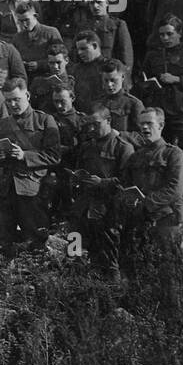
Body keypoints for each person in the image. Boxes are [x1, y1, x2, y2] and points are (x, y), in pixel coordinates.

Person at [0, 78, 61, 253]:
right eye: (8, 100)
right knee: (0, 240)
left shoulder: (44, 120)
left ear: (27, 95)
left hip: (31, 189)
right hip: (2, 190)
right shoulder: (1, 124)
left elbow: (54, 156)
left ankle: (36, 277)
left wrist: (24, 155)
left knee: (36, 240)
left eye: (16, 99)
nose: (12, 104)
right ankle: (3, 277)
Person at [69, 105, 135, 267]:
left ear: (109, 121)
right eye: (88, 124)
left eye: (96, 124)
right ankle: (74, 279)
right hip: (83, 208)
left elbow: (129, 183)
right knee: (74, 249)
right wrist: (76, 179)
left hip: (109, 210)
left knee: (107, 257)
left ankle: (110, 288)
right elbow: (79, 170)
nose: (91, 128)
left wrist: (103, 183)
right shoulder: (86, 147)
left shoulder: (123, 147)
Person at [139, 18, 183, 168]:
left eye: (169, 34)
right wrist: (147, 85)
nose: (165, 38)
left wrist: (177, 79)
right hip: (157, 110)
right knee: (156, 147)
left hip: (181, 110)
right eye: (162, 35)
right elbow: (142, 78)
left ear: (180, 33)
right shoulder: (153, 56)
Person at [118, 108, 183, 252]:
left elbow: (175, 189)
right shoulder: (135, 157)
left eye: (149, 123)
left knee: (168, 265)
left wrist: (146, 202)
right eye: (141, 124)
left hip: (167, 218)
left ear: (161, 126)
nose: (144, 127)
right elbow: (126, 184)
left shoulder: (173, 153)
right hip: (141, 219)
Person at [96, 60, 145, 135]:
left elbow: (142, 136)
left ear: (122, 77)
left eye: (113, 80)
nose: (109, 84)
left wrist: (121, 135)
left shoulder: (134, 104)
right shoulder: (98, 102)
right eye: (106, 80)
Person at [28, 43, 75, 115]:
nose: (55, 66)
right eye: (51, 63)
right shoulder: (39, 81)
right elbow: (31, 105)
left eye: (58, 62)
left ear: (67, 60)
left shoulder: (72, 82)